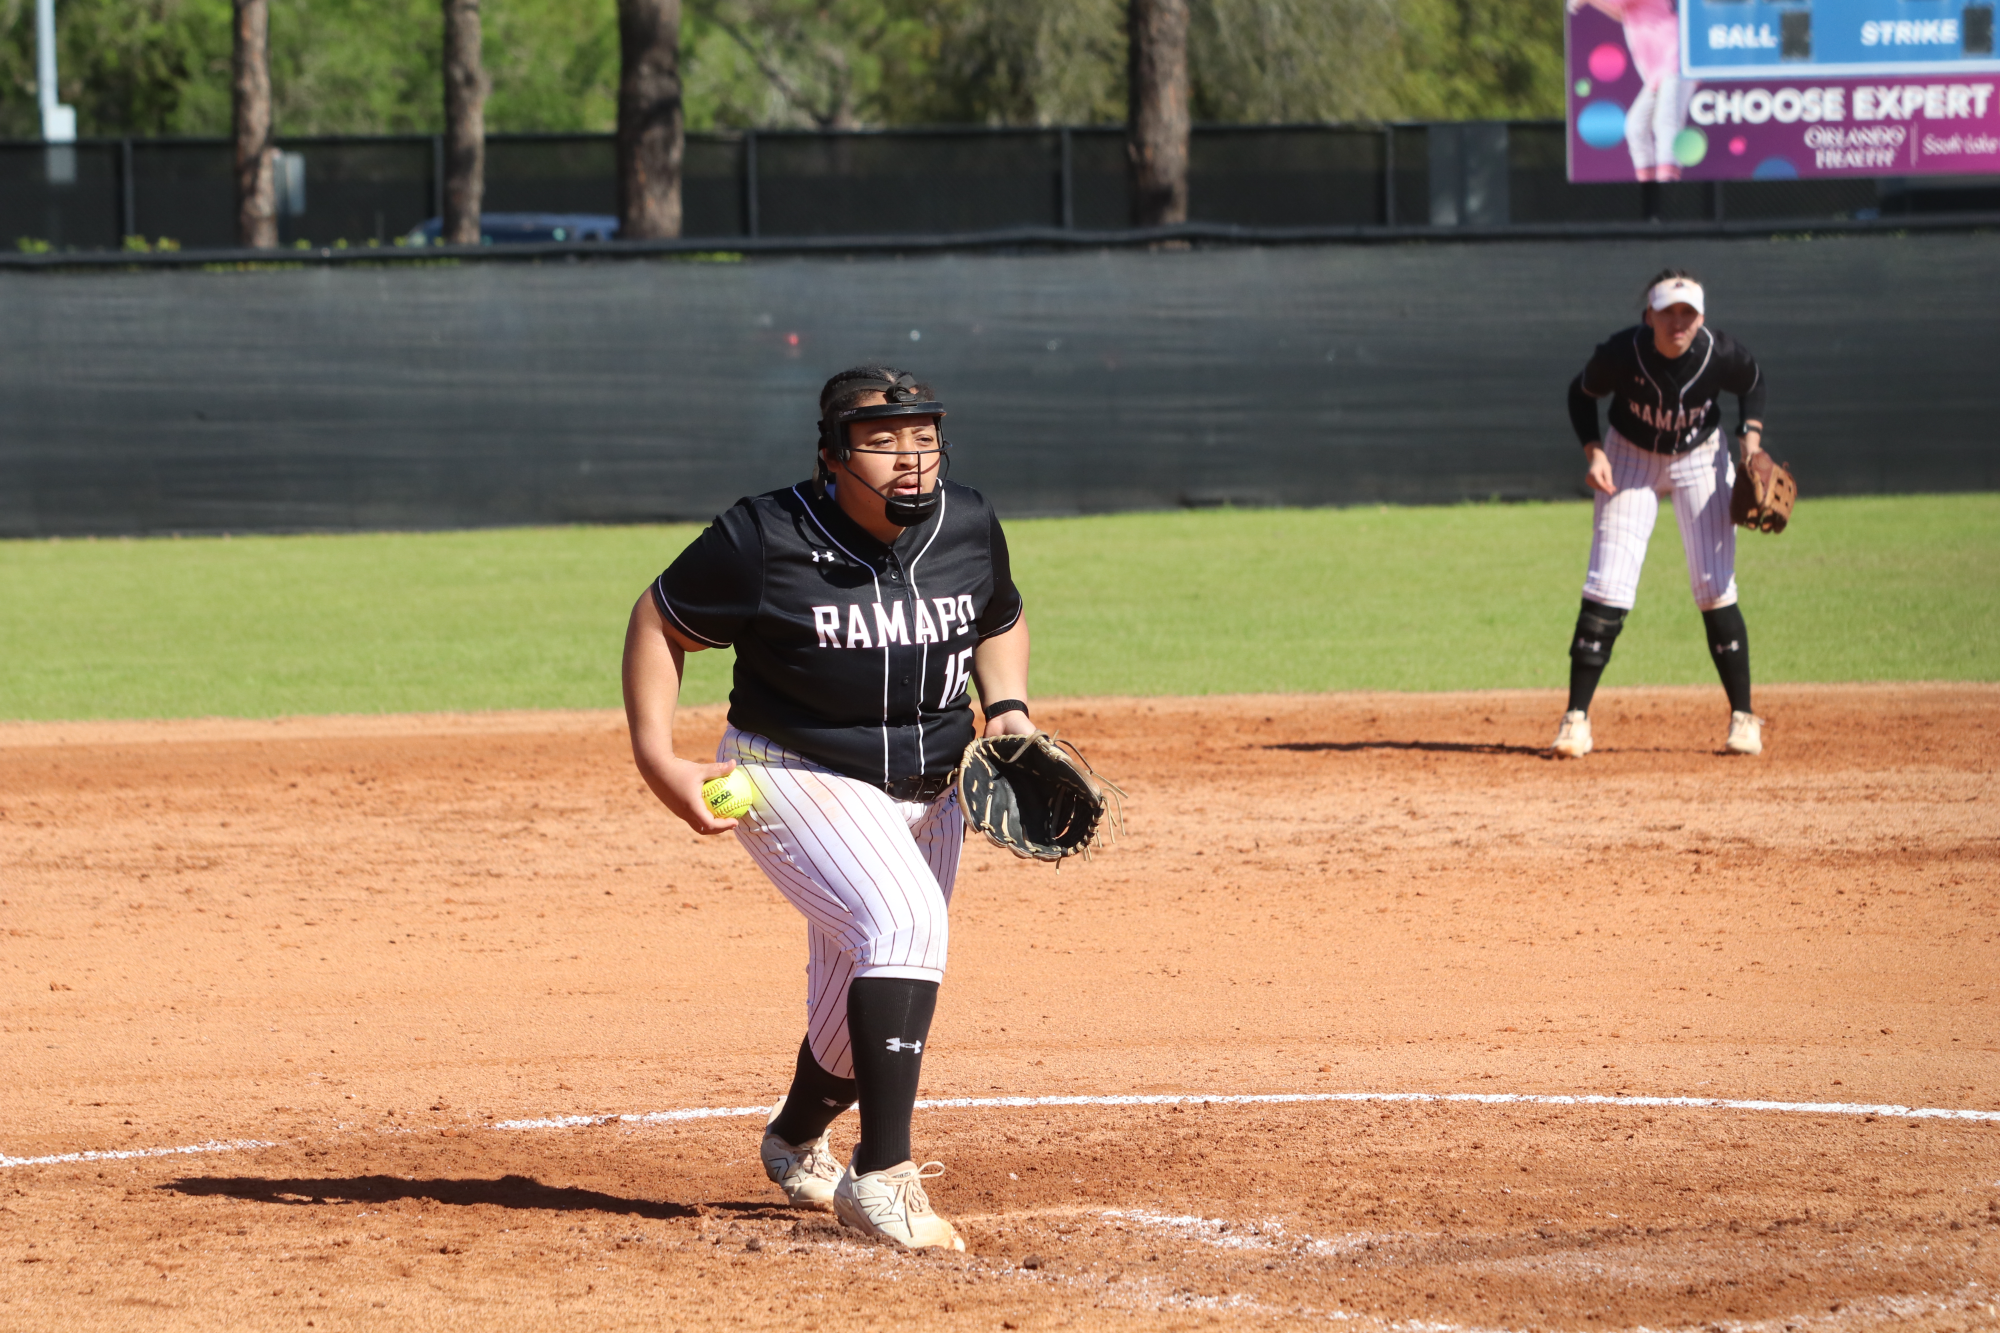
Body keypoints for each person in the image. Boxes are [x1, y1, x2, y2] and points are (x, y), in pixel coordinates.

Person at [621, 366, 1034, 1251]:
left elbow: (999, 618)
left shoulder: (967, 522)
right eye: (885, 443)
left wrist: (1008, 708)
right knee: (905, 923)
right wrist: (661, 760)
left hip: (930, 787)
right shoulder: (763, 535)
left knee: (860, 1010)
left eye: (922, 438)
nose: (910, 459)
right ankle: (882, 1177)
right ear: (832, 454)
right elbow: (659, 620)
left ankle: (795, 1137)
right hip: (774, 771)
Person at [1554, 270, 1772, 758]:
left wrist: (1750, 444)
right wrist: (1594, 451)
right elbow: (1580, 393)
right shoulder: (1620, 353)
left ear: (1700, 318)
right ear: (1648, 315)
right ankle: (1576, 719)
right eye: (1667, 312)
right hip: (1630, 456)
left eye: (1688, 313)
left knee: (1716, 587)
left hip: (1700, 458)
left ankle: (1744, 719)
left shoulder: (1719, 352)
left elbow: (1753, 383)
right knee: (1607, 584)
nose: (1678, 322)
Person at [1571, 0, 1694, 181]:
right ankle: (1649, 188)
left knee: (1666, 121)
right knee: (1636, 127)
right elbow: (1620, 13)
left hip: (1677, 58)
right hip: (1659, 71)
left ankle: (1667, 184)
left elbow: (1616, 3)